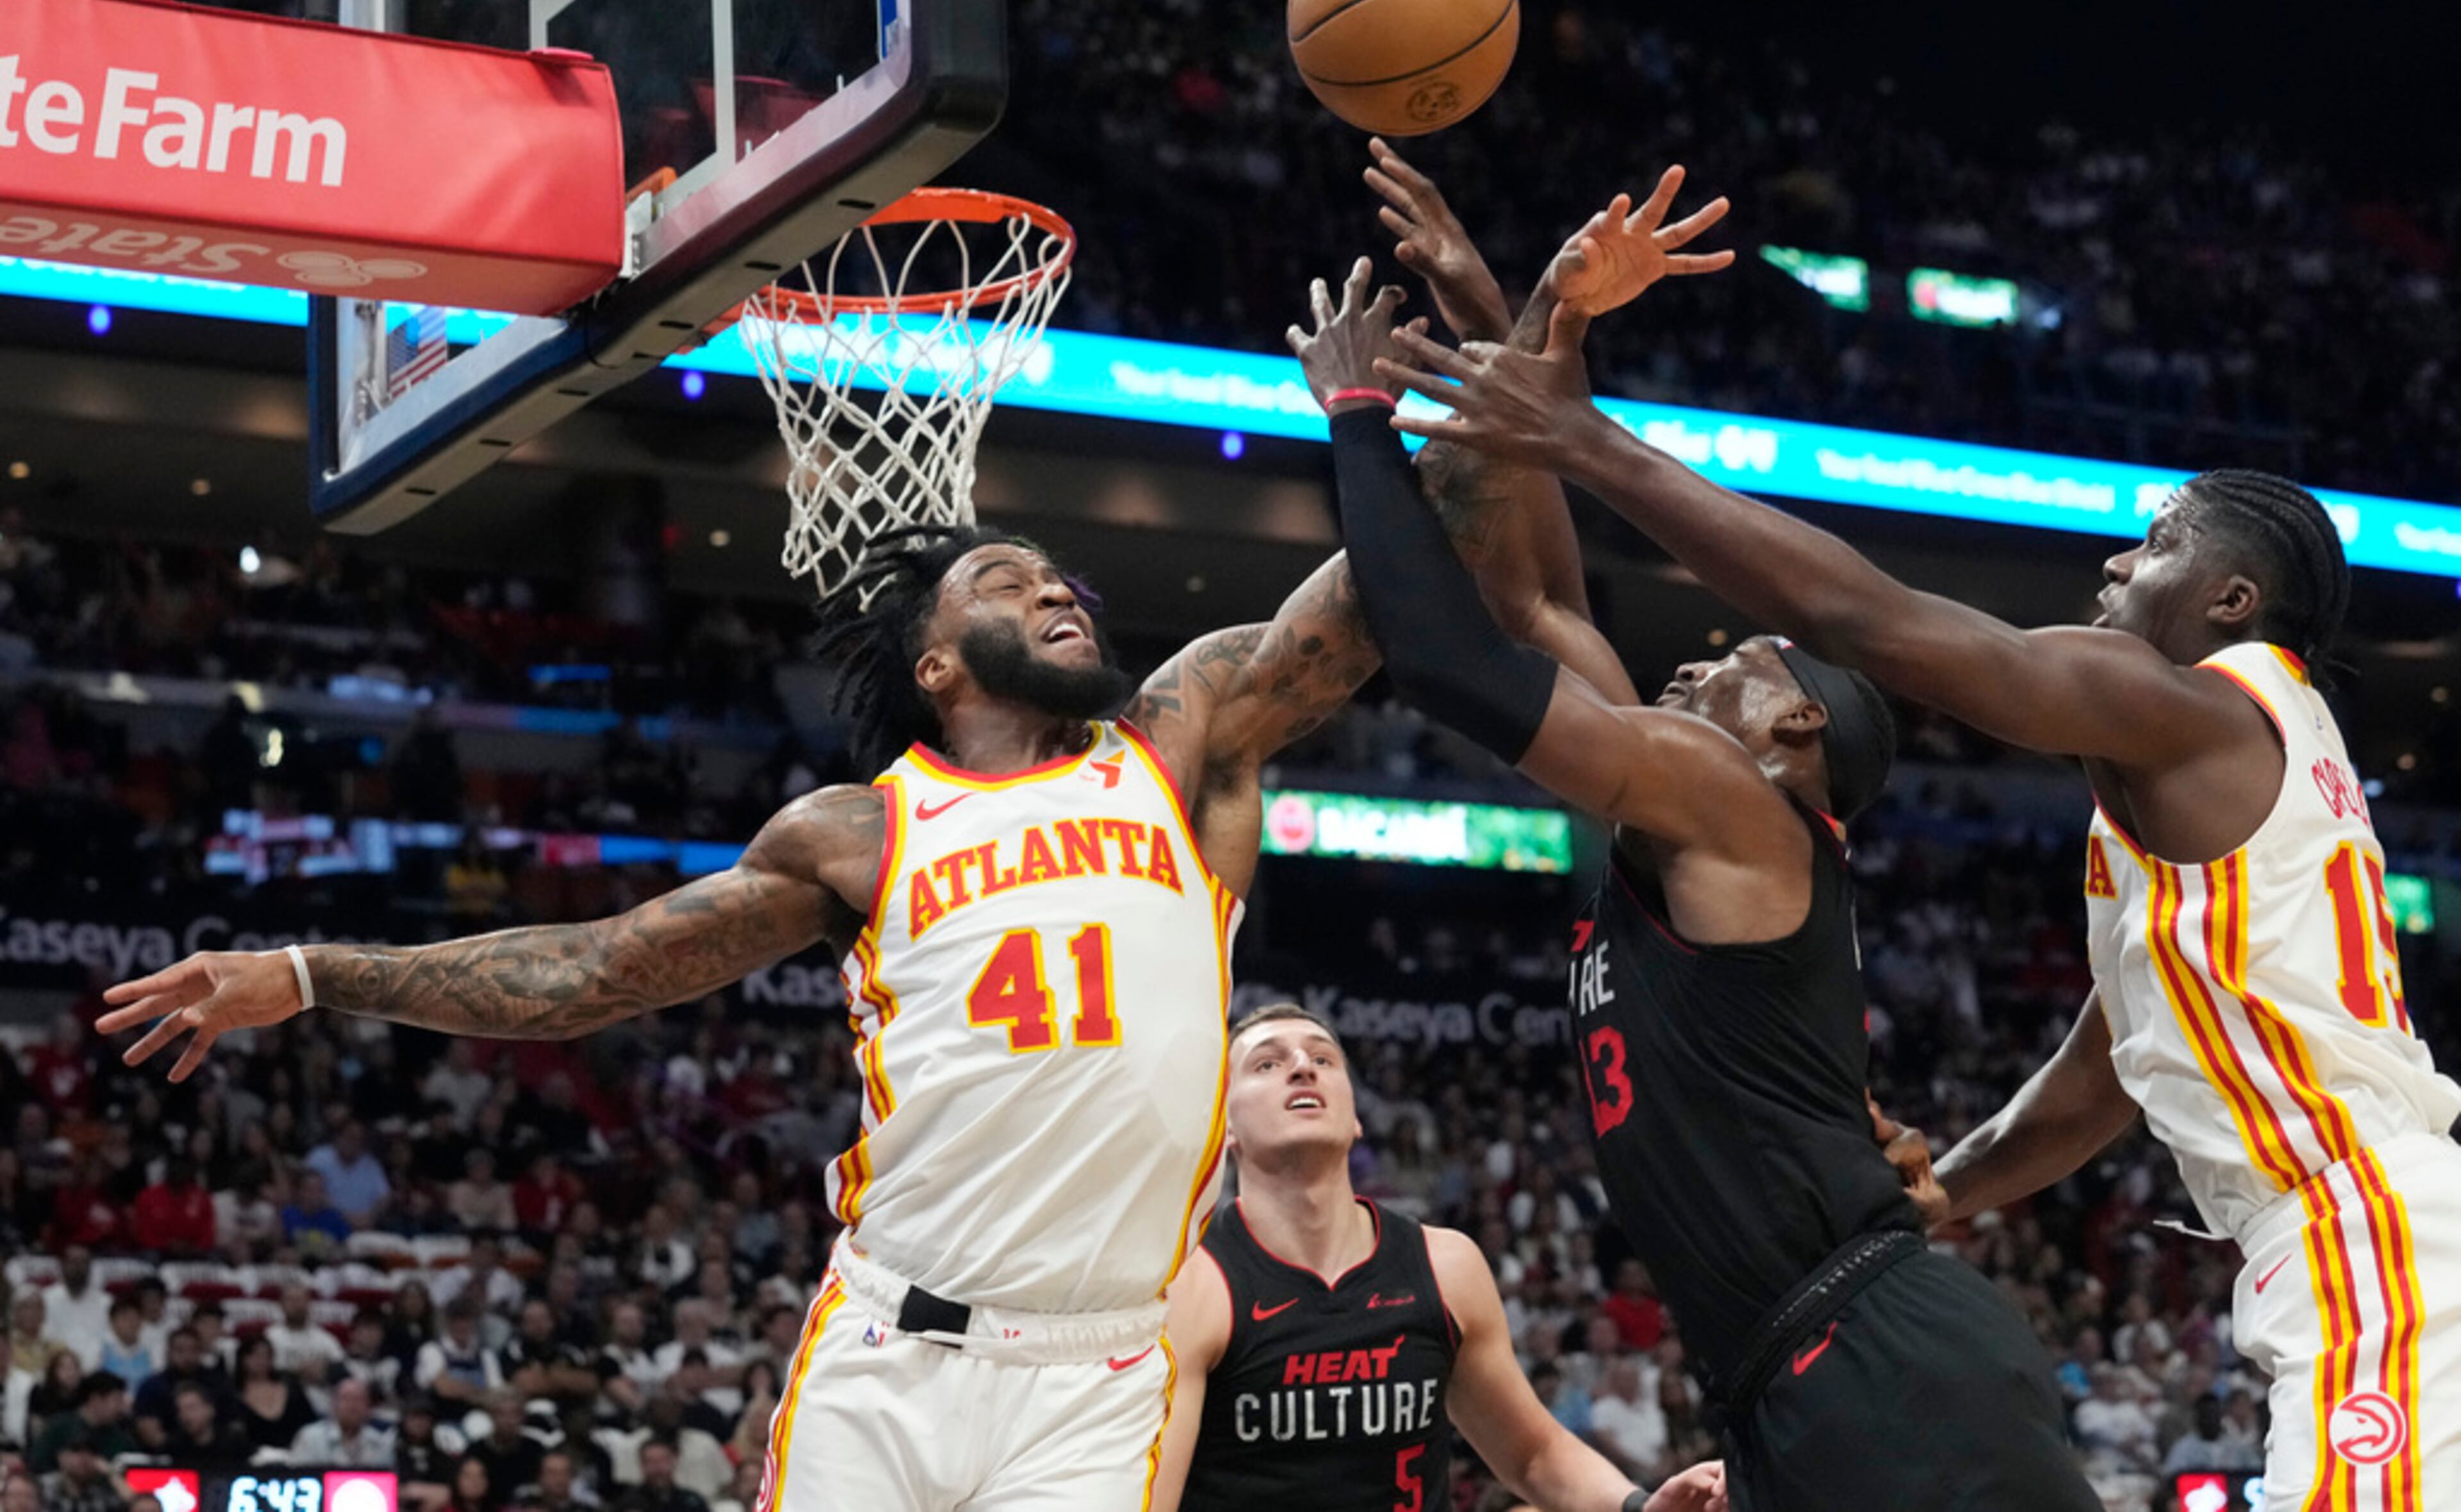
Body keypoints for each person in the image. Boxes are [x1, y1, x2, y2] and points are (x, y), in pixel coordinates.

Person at [98, 350, 1545, 1512]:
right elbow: (596, 969)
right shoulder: (859, 828)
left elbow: (1380, 596)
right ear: (934, 658)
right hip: (893, 1354)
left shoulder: (1174, 743)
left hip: (1106, 1364)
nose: (1053, 585)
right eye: (1005, 577)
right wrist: (304, 970)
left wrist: (1530, 345)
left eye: (1059, 573)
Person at [1376, 173, 2461, 1509]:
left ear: (2231, 599)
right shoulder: (2197, 799)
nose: (2119, 566)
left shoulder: (2205, 705)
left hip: (2363, 1227)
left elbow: (1888, 628)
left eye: (2158, 543)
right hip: (2330, 1235)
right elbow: (2105, 1074)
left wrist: (1589, 440)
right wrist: (1947, 1185)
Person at [1314, 168, 2100, 1508]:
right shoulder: (1697, 819)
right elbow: (1539, 594)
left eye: (1736, 661)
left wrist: (1359, 415)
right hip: (1792, 1368)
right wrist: (1501, 310)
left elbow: (1451, 656)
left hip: (1879, 1355)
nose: (1694, 667)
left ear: (1796, 722)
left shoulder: (1737, 802)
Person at [1154, 1005, 1724, 1512]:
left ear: (1355, 1117)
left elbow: (1532, 1455)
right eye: (1267, 1064)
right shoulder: (1192, 1284)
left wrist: (1638, 1505)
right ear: (1223, 1125)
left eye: (1324, 1059)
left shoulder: (1445, 1264)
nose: (1303, 1067)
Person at [291, 1377, 395, 1468]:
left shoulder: (380, 1443)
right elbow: (300, 1476)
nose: (353, 1406)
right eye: (346, 1399)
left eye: (359, 1400)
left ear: (369, 1407)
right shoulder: (310, 1438)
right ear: (334, 1404)